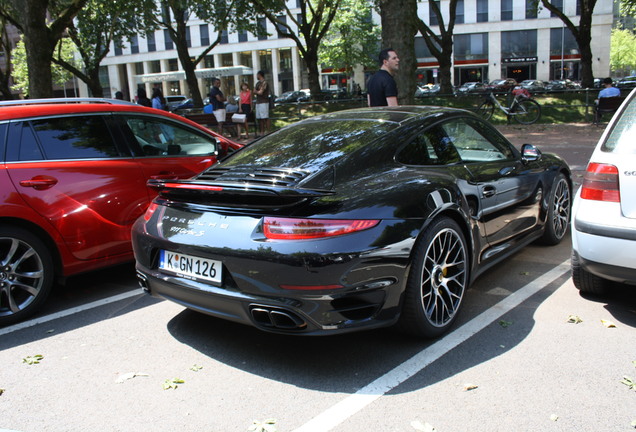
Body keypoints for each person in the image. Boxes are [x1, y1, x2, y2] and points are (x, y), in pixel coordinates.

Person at [254, 71, 270, 136]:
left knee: (265, 117)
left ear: (259, 75)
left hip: (264, 102)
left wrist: (257, 91)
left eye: (257, 75)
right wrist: (257, 91)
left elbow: (260, 92)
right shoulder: (257, 83)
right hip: (258, 102)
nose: (256, 76)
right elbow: (255, 91)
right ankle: (262, 132)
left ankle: (268, 131)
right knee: (259, 118)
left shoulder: (264, 83)